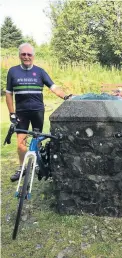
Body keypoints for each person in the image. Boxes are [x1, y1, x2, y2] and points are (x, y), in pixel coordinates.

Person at [6, 43, 72, 182]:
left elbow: (53, 87)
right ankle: (22, 167)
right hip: (21, 113)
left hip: (37, 112)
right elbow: (9, 94)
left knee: (36, 140)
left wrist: (65, 96)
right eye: (23, 54)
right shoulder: (12, 71)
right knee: (20, 142)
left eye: (29, 54)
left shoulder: (40, 71)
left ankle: (36, 164)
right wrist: (12, 113)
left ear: (33, 56)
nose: (26, 57)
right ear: (19, 55)